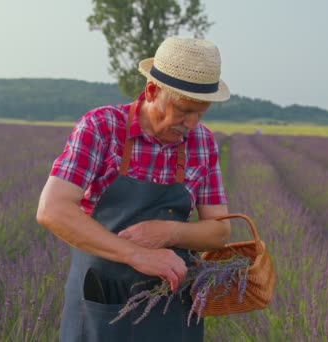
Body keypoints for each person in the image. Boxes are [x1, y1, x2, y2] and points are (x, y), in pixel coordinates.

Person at [36, 36, 231, 342]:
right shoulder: (101, 127)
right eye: (182, 110)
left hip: (172, 304)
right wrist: (137, 254)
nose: (191, 124)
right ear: (152, 90)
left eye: (200, 113)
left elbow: (219, 232)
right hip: (102, 298)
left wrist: (169, 232)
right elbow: (53, 210)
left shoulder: (202, 143)